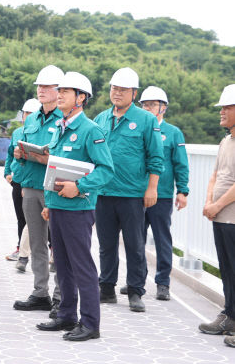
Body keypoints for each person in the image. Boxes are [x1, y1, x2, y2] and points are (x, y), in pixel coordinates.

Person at [34, 72, 114, 341]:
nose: (59, 95)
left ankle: (91, 323)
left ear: (81, 98)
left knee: (82, 266)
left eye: (66, 92)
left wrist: (79, 186)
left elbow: (106, 170)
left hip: (78, 208)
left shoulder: (91, 130)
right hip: (57, 207)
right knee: (63, 265)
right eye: (59, 91)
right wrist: (50, 202)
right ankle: (66, 315)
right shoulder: (60, 127)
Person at [94, 67, 164, 312]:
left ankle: (135, 291)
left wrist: (152, 188)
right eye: (114, 88)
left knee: (134, 244)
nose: (117, 93)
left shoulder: (146, 120)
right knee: (106, 244)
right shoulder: (101, 118)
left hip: (133, 193)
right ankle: (106, 288)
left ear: (134, 93)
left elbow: (156, 156)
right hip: (103, 192)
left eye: (123, 90)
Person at [119, 86, 189, 301]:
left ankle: (163, 283)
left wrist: (183, 191)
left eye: (152, 104)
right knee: (135, 239)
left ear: (163, 108)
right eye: (144, 104)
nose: (147, 108)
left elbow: (180, 163)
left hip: (162, 195)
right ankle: (136, 280)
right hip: (137, 194)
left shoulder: (173, 132)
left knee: (162, 239)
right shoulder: (137, 128)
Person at [13, 65, 63, 316]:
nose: (41, 91)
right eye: (39, 87)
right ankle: (40, 292)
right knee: (37, 242)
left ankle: (60, 297)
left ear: (59, 91)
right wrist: (19, 159)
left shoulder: (65, 118)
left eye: (47, 87)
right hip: (32, 186)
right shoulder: (31, 119)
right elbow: (21, 154)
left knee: (60, 244)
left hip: (56, 188)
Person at [199, 84, 235, 348]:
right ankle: (230, 315)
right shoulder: (226, 140)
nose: (221, 112)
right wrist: (209, 202)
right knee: (227, 270)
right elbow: (215, 175)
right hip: (221, 216)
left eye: (227, 107)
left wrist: (218, 204)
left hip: (232, 216)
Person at [4, 98, 42, 268]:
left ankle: (49, 249)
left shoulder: (41, 132)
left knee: (39, 218)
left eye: (31, 113)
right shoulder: (17, 133)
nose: (28, 116)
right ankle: (21, 248)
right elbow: (10, 154)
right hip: (18, 180)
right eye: (26, 113)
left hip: (34, 182)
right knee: (22, 217)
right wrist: (7, 173)